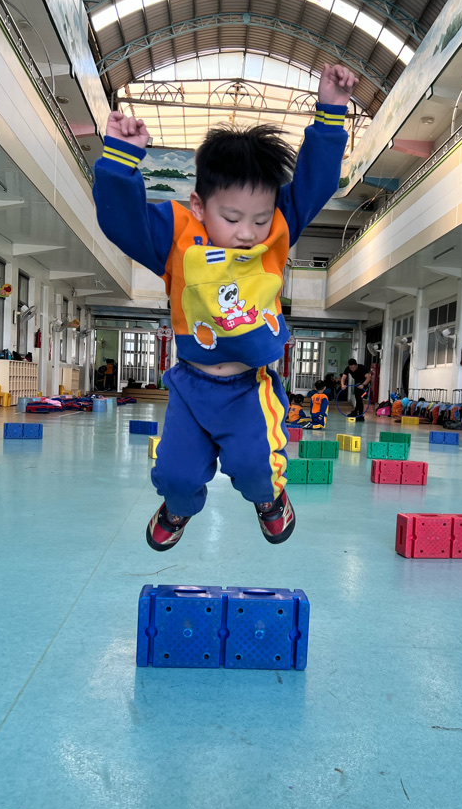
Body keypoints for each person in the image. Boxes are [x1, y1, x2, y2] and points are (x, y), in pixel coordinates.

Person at [93, 64, 358, 550]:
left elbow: (316, 182)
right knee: (175, 474)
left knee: (259, 470)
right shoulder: (176, 234)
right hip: (191, 386)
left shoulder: (279, 228)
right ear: (199, 205)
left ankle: (270, 501)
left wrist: (332, 111)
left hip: (249, 389)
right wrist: (119, 160)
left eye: (259, 219)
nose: (247, 232)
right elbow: (121, 223)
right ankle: (177, 507)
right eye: (232, 217)